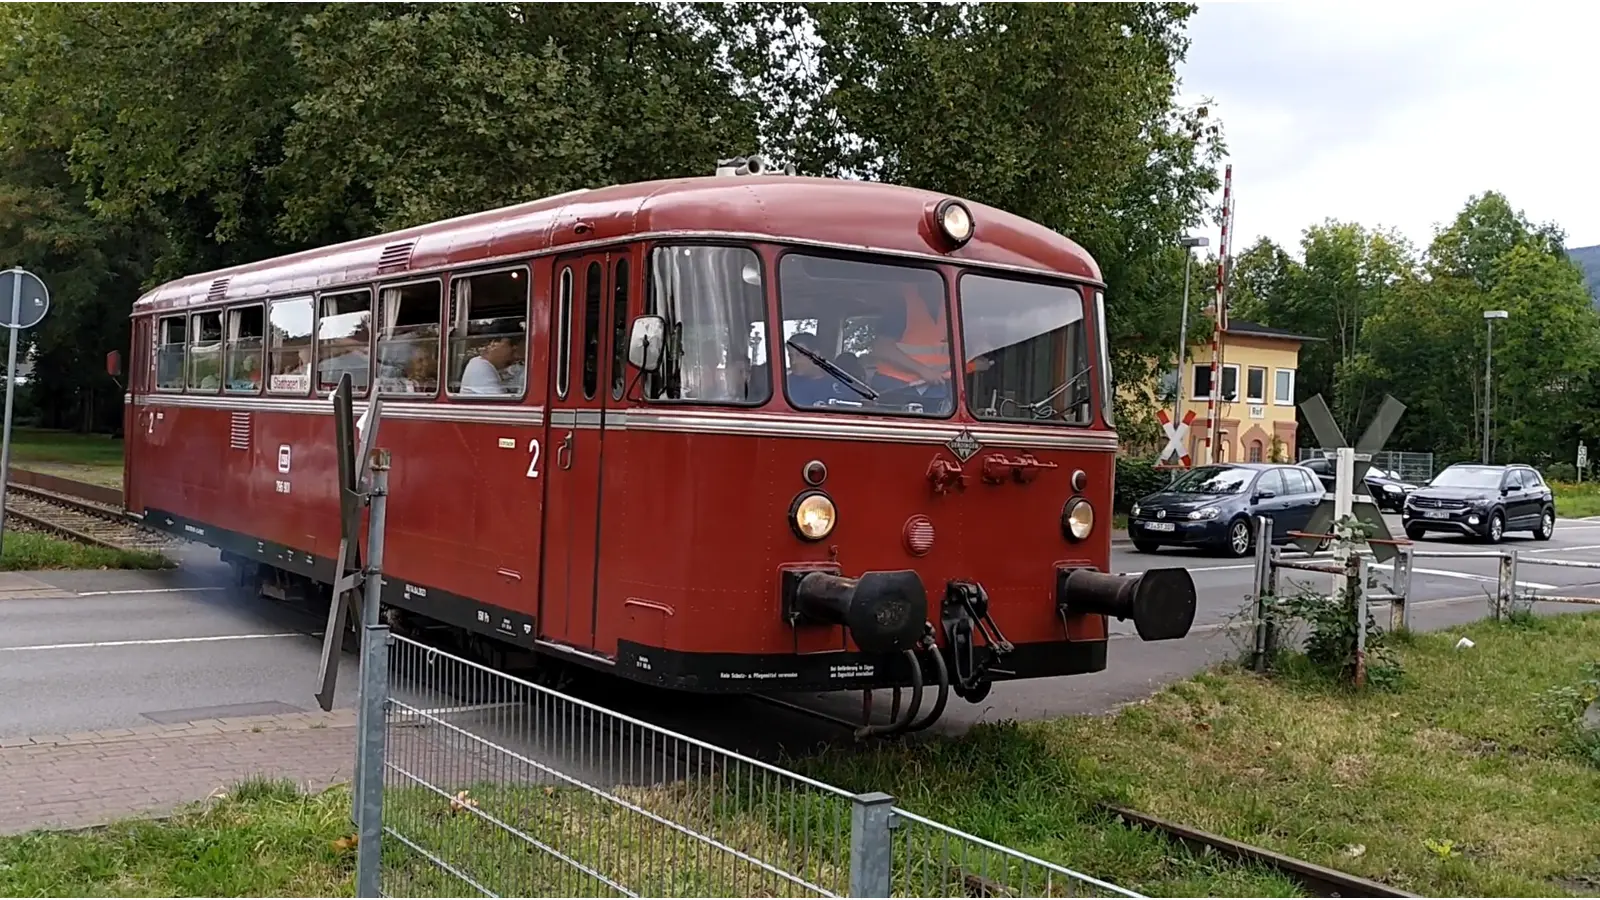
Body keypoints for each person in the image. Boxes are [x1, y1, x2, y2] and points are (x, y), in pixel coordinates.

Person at [459, 320, 522, 395]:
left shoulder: (492, 367)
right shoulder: (479, 365)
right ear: (493, 344)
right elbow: (501, 404)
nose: (515, 349)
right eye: (512, 344)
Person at [784, 331, 836, 407]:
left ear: (815, 355)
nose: (793, 361)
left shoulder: (837, 386)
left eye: (798, 355)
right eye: (790, 356)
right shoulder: (785, 385)